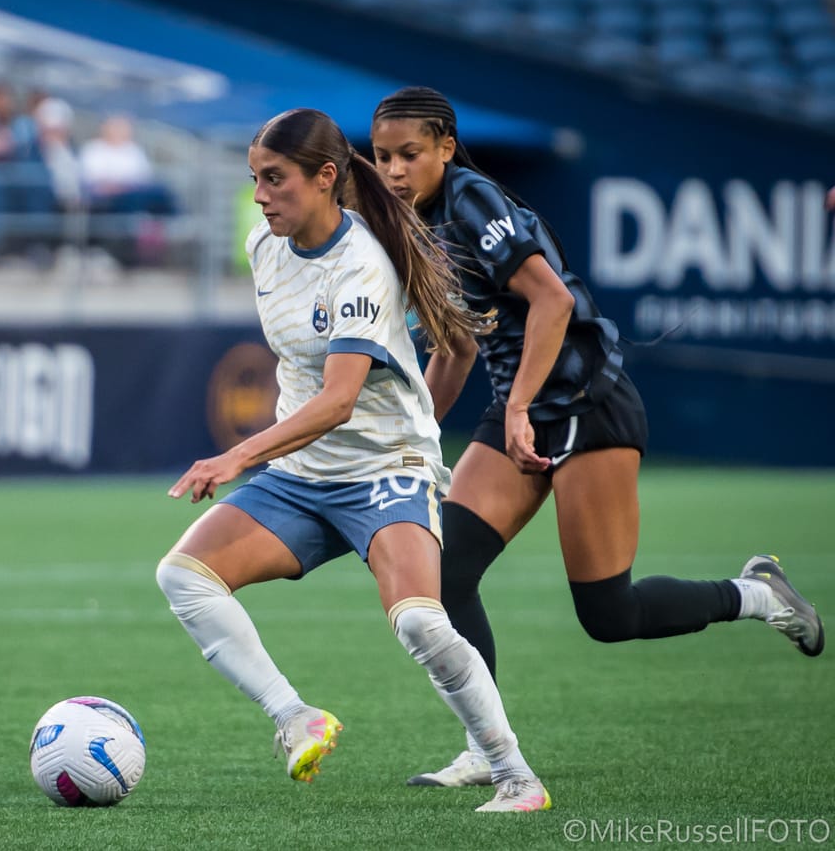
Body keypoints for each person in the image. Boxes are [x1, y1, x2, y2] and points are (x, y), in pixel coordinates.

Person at [367, 86, 826, 789]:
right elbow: (456, 348)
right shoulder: (418, 227)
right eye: (383, 156)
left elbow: (551, 299)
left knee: (610, 614)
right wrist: (417, 436)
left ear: (446, 149)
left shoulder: (470, 202)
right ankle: (488, 747)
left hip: (587, 404)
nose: (395, 170)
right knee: (446, 572)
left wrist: (519, 406)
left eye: (410, 154)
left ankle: (760, 594)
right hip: (519, 410)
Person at [156, 107, 551, 813]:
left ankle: (515, 774)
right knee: (183, 576)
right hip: (304, 478)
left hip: (384, 470)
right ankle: (295, 717)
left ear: (325, 178)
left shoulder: (362, 264)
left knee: (422, 624)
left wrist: (236, 456)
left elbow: (340, 401)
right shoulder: (264, 247)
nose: (259, 195)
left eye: (275, 179)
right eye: (254, 178)